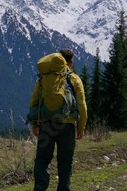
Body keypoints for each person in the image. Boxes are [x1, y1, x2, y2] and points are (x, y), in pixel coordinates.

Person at [29, 48, 88, 191]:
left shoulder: (44, 78)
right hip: (67, 126)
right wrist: (81, 128)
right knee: (65, 161)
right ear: (70, 62)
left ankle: (39, 187)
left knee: (43, 159)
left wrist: (34, 124)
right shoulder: (74, 79)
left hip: (46, 124)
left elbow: (34, 102)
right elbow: (82, 106)